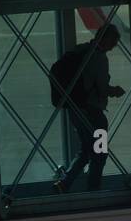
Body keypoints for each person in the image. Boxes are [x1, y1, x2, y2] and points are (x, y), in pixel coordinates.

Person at [53, 25, 126, 193]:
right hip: (94, 114)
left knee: (86, 150)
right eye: (114, 41)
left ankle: (64, 183)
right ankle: (94, 189)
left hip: (76, 111)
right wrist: (114, 90)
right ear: (105, 39)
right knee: (99, 153)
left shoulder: (81, 50)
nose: (114, 45)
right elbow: (101, 87)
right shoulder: (99, 58)